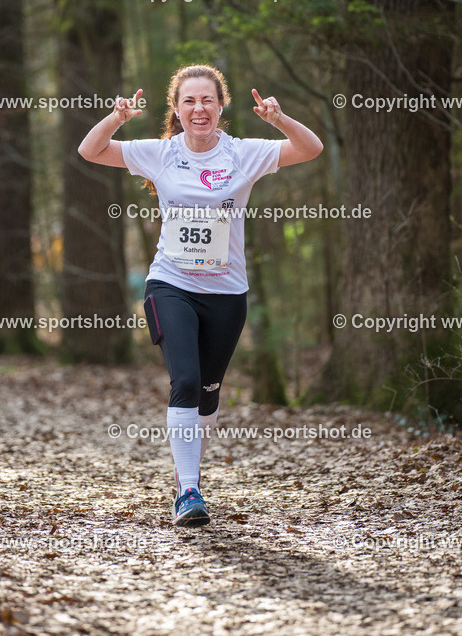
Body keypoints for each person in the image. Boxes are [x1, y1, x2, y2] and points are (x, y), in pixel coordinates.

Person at [79, 64, 323, 528]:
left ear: (221, 105)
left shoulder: (243, 153)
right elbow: (90, 150)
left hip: (227, 293)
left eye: (207, 99)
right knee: (186, 383)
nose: (199, 109)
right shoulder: (160, 154)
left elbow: (311, 148)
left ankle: (188, 472)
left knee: (209, 393)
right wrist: (116, 118)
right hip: (171, 284)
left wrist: (279, 120)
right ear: (176, 108)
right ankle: (188, 490)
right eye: (189, 101)